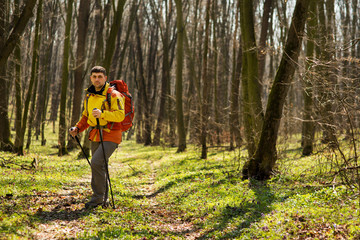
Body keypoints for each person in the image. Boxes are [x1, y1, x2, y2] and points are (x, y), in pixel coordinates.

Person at [69, 66, 125, 208]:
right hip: (95, 134)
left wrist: (103, 114)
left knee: (96, 162)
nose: (97, 79)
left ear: (105, 78)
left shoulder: (114, 94)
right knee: (99, 166)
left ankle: (97, 199)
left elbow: (120, 115)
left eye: (100, 76)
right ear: (91, 78)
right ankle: (104, 199)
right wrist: (78, 128)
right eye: (94, 76)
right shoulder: (89, 95)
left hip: (112, 134)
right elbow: (86, 115)